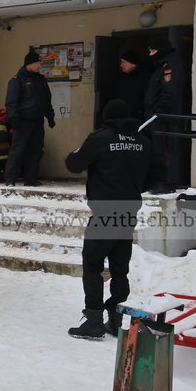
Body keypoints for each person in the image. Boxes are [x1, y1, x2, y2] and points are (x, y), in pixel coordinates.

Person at [65, 99, 151, 340]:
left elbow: (73, 164)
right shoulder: (143, 141)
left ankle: (93, 319)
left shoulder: (100, 138)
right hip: (128, 212)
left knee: (92, 264)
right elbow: (153, 175)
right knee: (119, 268)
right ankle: (115, 319)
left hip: (104, 213)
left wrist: (75, 154)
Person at [4, 49, 55, 187]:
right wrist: (14, 121)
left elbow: (46, 100)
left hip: (37, 122)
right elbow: (11, 102)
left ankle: (30, 179)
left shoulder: (41, 80)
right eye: (37, 63)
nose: (40, 65)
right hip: (22, 122)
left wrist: (50, 117)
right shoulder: (17, 80)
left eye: (40, 62)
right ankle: (10, 179)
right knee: (18, 150)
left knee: (35, 151)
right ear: (29, 64)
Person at [143, 36, 186, 194]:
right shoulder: (162, 66)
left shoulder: (171, 67)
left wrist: (159, 112)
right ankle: (160, 180)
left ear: (161, 50)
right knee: (159, 151)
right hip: (158, 117)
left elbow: (170, 93)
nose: (150, 54)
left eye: (153, 51)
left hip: (165, 118)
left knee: (166, 151)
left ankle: (168, 182)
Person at [114, 50, 150, 122]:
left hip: (138, 118)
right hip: (121, 117)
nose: (121, 65)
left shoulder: (145, 78)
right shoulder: (122, 78)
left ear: (133, 64)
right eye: (121, 62)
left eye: (124, 62)